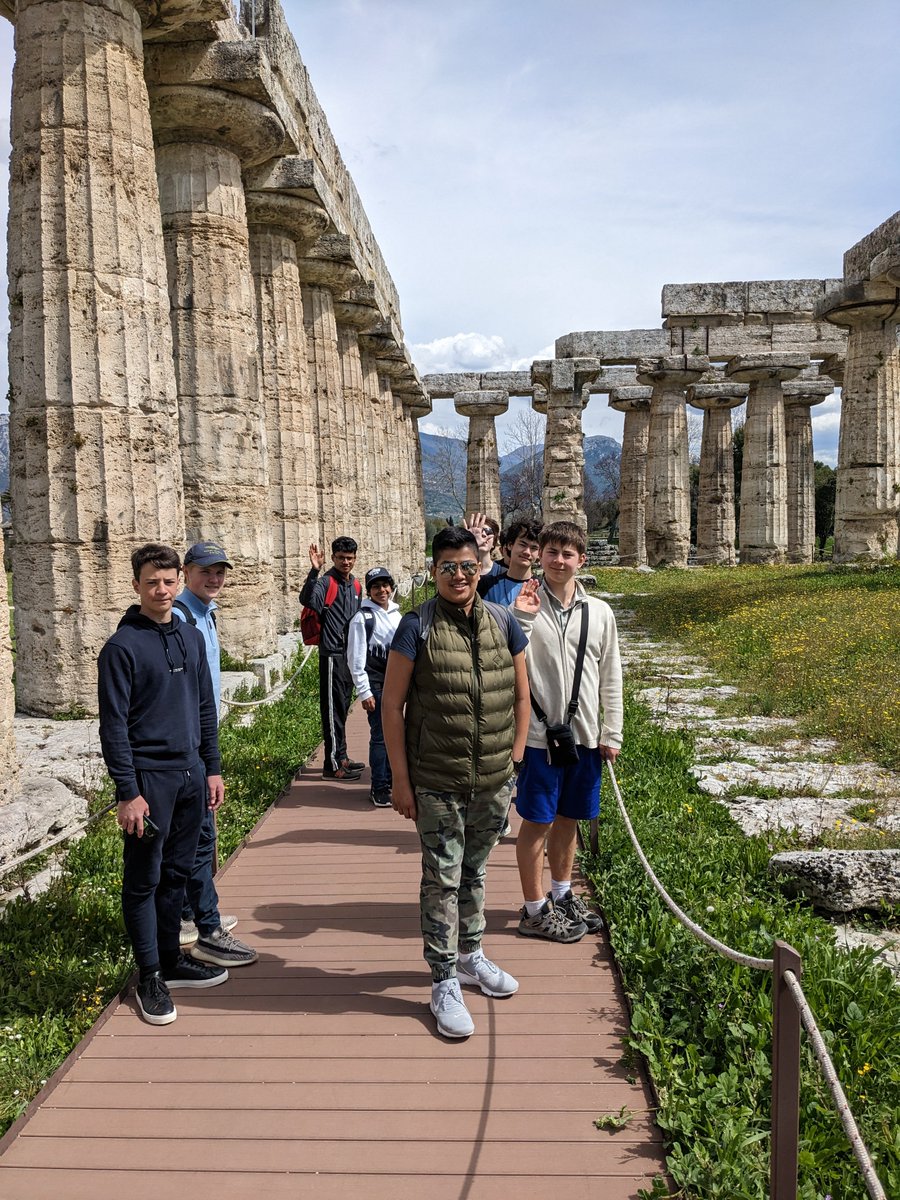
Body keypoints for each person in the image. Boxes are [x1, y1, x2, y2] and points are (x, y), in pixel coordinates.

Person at [381, 526, 530, 1039]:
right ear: (434, 571)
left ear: (481, 567)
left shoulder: (503, 621)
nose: (459, 575)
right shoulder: (415, 626)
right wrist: (400, 780)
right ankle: (443, 976)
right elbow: (391, 707)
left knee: (476, 873)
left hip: (492, 778)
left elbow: (522, 697)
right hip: (437, 779)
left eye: (468, 566)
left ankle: (471, 955)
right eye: (448, 567)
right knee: (442, 877)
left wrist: (512, 763)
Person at [98, 543, 230, 1026]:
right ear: (136, 586)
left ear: (180, 582)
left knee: (178, 873)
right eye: (151, 581)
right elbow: (113, 727)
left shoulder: (191, 637)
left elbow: (204, 710)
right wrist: (126, 792)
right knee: (143, 879)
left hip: (191, 774)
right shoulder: (121, 648)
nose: (161, 589)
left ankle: (172, 957)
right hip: (149, 781)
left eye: (169, 581)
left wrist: (211, 768)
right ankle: (149, 973)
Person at [511, 520, 623, 942]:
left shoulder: (600, 612)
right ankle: (534, 908)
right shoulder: (520, 604)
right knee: (536, 822)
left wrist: (612, 731)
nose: (558, 560)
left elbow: (611, 674)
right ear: (539, 556)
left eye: (567, 553)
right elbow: (509, 662)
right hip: (540, 736)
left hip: (585, 736)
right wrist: (521, 617)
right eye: (551, 552)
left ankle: (561, 895)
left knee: (569, 820)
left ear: (582, 559)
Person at [172, 541, 258, 967]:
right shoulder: (182, 616)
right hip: (188, 742)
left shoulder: (206, 613)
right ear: (186, 571)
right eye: (206, 570)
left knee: (202, 830)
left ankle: (194, 912)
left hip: (205, 735)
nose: (215, 578)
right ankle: (199, 923)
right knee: (199, 832)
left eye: (220, 571)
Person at [300, 537, 365, 780]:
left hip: (349, 655)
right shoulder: (327, 581)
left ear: (355, 558)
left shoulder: (356, 586)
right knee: (332, 711)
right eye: (341, 558)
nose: (345, 562)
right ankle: (333, 764)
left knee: (342, 708)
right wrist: (314, 571)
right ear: (334, 557)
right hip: (331, 654)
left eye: (350, 558)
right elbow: (307, 599)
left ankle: (342, 755)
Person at [346, 566, 402, 808]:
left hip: (397, 683)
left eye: (385, 585)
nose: (382, 590)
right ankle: (379, 786)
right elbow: (355, 657)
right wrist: (364, 691)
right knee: (380, 736)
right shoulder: (362, 618)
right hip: (376, 683)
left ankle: (390, 780)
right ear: (369, 591)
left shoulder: (398, 615)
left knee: (396, 734)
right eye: (376, 587)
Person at [477, 518, 543, 605]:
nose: (527, 552)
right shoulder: (486, 584)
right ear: (510, 545)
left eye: (534, 548)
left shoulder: (542, 588)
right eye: (522, 545)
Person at [464, 512, 503, 579]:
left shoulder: (504, 574)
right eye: (477, 533)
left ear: (494, 543)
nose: (483, 535)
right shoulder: (460, 573)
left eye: (488, 531)